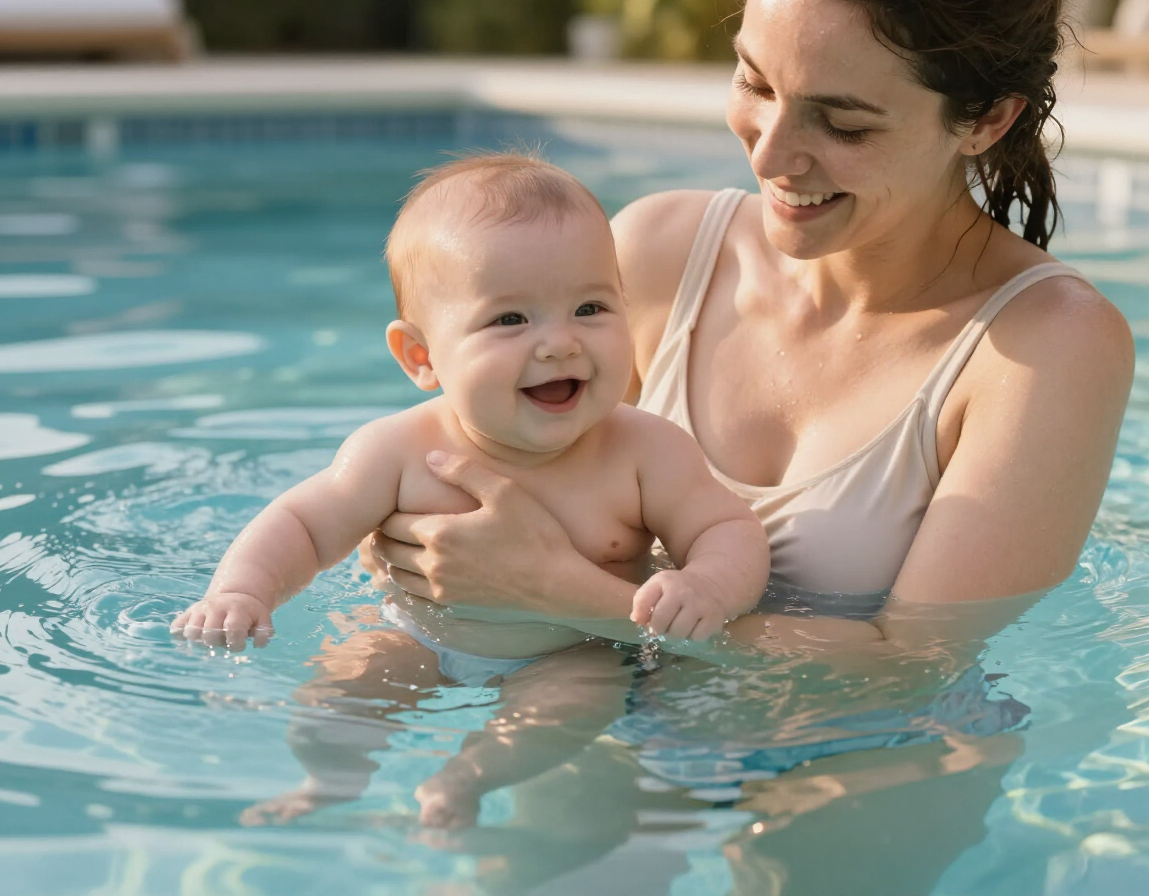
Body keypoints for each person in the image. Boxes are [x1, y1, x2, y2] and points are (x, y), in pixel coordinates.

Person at [360, 0, 1136, 892]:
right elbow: (457, 499)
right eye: (754, 83)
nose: (770, 152)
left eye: (841, 123)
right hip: (601, 703)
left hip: (869, 750)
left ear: (986, 119)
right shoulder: (654, 252)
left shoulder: (1046, 345)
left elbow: (909, 665)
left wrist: (561, 591)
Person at [169, 153, 771, 829]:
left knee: (580, 702)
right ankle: (331, 779)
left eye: (590, 307)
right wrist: (242, 592)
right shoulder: (395, 450)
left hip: (572, 650)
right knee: (338, 700)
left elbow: (728, 528)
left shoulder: (645, 450)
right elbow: (304, 525)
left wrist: (709, 588)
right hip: (414, 635)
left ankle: (465, 780)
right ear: (421, 357)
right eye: (510, 320)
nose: (559, 342)